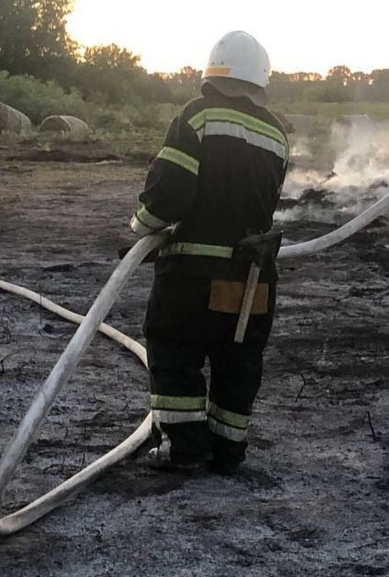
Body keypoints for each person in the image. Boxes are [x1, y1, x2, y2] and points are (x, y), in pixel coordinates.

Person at [128, 31, 289, 475]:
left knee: (175, 350)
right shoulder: (277, 134)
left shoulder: (197, 116)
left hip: (192, 274)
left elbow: (169, 192)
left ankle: (183, 449)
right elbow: (266, 201)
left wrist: (139, 231)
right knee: (238, 360)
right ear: (261, 80)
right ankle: (227, 450)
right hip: (253, 278)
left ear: (212, 76)